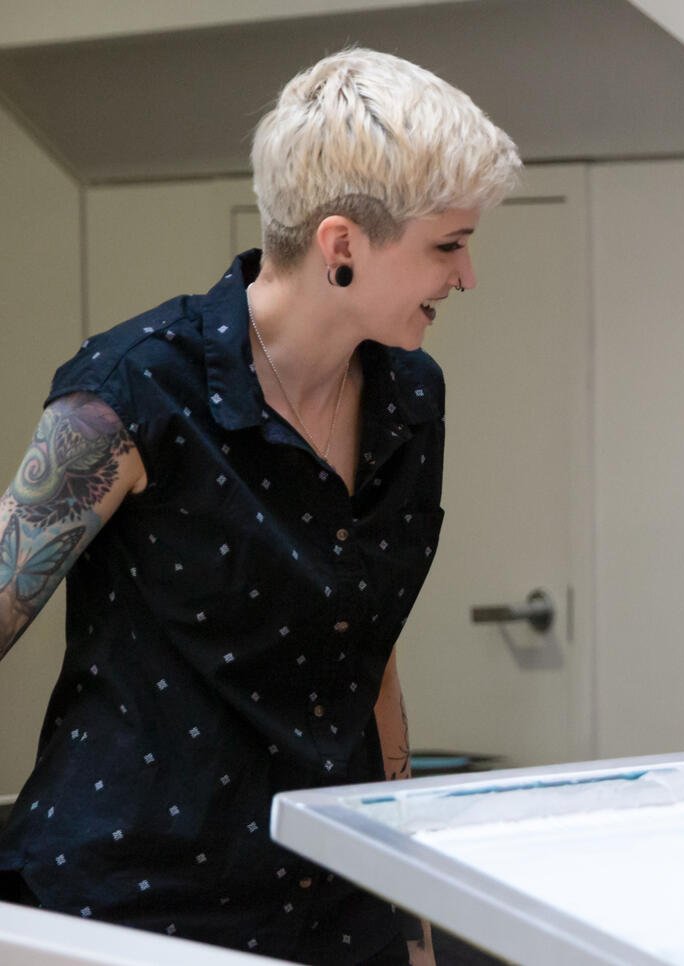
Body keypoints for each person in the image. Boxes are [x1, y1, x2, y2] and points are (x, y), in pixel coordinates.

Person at [0, 48, 520, 964]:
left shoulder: (412, 398)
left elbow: (370, 655)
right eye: (447, 244)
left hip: (332, 897)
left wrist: (413, 915)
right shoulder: (136, 388)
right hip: (130, 901)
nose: (468, 276)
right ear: (342, 246)